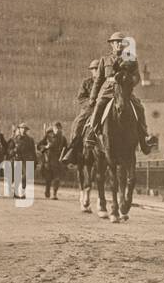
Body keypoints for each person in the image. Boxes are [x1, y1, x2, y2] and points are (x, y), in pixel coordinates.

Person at [62, 30, 154, 164]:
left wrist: (129, 82)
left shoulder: (131, 58)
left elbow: (137, 77)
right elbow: (99, 80)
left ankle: (144, 137)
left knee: (139, 107)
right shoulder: (105, 60)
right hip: (107, 91)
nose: (118, 45)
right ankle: (92, 135)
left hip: (124, 91)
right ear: (111, 45)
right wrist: (93, 98)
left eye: (121, 42)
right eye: (115, 43)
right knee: (98, 108)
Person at [37, 121, 67, 198]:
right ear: (53, 128)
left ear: (61, 129)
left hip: (58, 160)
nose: (57, 130)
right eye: (55, 128)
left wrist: (64, 158)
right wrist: (45, 147)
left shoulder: (63, 138)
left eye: (58, 128)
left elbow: (66, 149)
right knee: (48, 178)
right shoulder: (48, 136)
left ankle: (54, 193)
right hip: (48, 160)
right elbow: (39, 145)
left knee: (57, 178)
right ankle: (47, 191)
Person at [11, 122, 37, 199]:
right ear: (19, 129)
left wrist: (35, 161)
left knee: (25, 177)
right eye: (22, 128)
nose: (23, 130)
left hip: (27, 160)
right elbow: (9, 150)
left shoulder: (30, 140)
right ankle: (15, 192)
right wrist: (14, 150)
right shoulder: (14, 139)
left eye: (25, 129)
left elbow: (33, 151)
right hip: (17, 159)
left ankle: (22, 193)